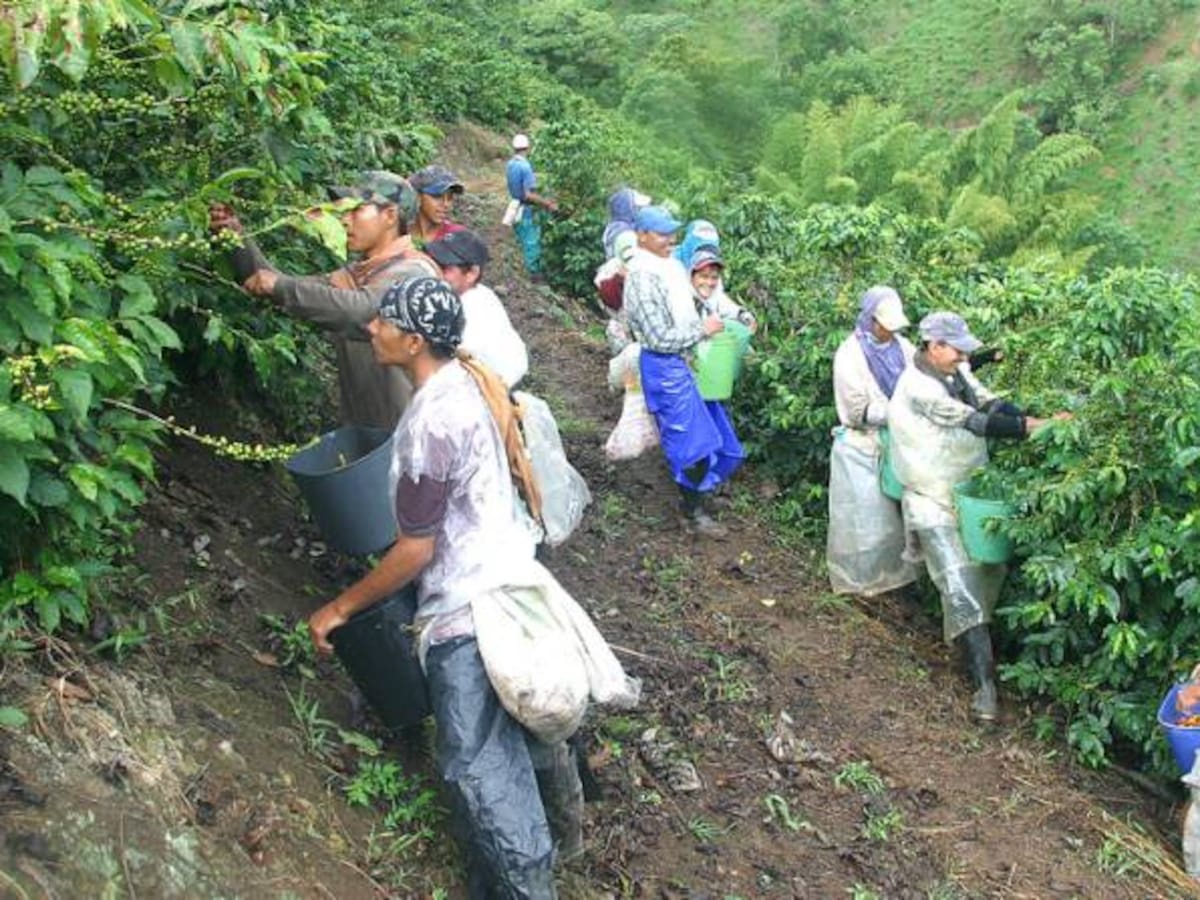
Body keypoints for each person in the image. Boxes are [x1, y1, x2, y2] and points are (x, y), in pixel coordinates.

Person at [307, 277, 588, 897]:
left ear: (411, 342)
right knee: (526, 734)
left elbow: (415, 550)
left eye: (382, 321)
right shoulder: (469, 382)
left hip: (468, 610)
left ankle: (527, 886)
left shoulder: (430, 422)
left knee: (478, 772)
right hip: (512, 579)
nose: (371, 328)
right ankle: (563, 834)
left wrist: (339, 606)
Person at [888, 312, 1070, 721]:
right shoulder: (917, 387)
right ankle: (985, 690)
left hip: (968, 491)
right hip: (929, 496)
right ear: (934, 346)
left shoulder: (957, 370)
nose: (962, 356)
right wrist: (1034, 427)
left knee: (986, 573)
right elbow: (976, 421)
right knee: (959, 581)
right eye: (956, 349)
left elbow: (988, 401)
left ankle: (970, 647)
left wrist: (1034, 416)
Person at [208, 171, 439, 430]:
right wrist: (236, 238)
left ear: (390, 216)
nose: (345, 221)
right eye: (343, 212)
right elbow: (277, 287)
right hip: (369, 430)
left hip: (415, 433)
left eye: (356, 211)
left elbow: (360, 312)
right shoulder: (357, 275)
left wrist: (280, 286)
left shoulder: (414, 273)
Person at [623, 206, 745, 537]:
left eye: (672, 233)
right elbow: (658, 337)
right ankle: (691, 514)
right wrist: (703, 330)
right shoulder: (643, 277)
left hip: (682, 363)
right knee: (694, 446)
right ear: (642, 236)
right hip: (664, 367)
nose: (670, 239)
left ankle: (700, 497)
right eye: (662, 234)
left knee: (713, 439)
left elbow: (701, 297)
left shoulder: (666, 265)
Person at [826, 286, 919, 597]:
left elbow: (919, 381)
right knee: (864, 521)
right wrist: (899, 411)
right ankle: (861, 583)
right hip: (861, 448)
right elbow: (857, 412)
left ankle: (896, 582)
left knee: (896, 522)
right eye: (882, 324)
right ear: (869, 319)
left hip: (898, 444)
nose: (887, 331)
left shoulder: (903, 348)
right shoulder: (850, 354)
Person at [425, 229, 529, 388]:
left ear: (472, 273)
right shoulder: (463, 295)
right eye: (434, 263)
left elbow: (451, 372)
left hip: (492, 387)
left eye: (445, 268)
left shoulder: (474, 313)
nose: (435, 272)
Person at [505, 133, 557, 279]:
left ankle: (525, 270)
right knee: (531, 241)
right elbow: (528, 194)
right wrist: (548, 203)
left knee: (521, 237)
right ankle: (533, 274)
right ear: (527, 148)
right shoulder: (525, 167)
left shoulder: (511, 164)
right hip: (526, 209)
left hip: (514, 205)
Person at [687, 246, 756, 332]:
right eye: (704, 276)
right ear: (691, 277)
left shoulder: (714, 297)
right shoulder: (681, 300)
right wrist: (702, 331)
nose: (709, 282)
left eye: (714, 277)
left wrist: (746, 317)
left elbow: (732, 310)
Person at [408, 164, 467, 245]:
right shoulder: (399, 234)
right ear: (418, 196)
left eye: (450, 198)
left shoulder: (458, 237)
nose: (446, 204)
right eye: (437, 196)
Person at [601, 187, 651, 260]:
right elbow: (634, 265)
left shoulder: (615, 228)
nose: (642, 211)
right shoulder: (625, 235)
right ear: (628, 209)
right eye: (638, 208)